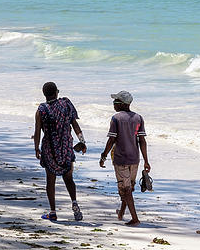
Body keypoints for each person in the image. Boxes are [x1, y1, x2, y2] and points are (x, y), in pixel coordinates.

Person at [32, 81, 86, 222]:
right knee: (69, 179)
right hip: (66, 146)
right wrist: (82, 141)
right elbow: (75, 125)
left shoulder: (41, 110)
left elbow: (37, 132)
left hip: (49, 148)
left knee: (51, 181)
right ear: (57, 92)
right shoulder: (66, 104)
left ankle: (53, 212)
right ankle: (74, 203)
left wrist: (36, 148)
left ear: (44, 94)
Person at [99, 90, 150, 226]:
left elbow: (111, 140)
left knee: (125, 189)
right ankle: (121, 213)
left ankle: (135, 218)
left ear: (121, 104)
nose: (113, 104)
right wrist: (146, 160)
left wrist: (103, 156)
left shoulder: (116, 118)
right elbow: (142, 141)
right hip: (135, 159)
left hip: (121, 159)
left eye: (115, 101)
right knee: (128, 187)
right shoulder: (138, 118)